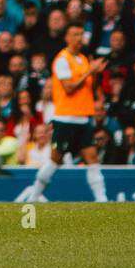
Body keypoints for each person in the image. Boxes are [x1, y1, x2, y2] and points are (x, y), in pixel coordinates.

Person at [22, 23, 108, 203]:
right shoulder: (62, 59)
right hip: (65, 118)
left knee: (92, 157)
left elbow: (88, 86)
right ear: (67, 38)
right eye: (75, 34)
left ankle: (102, 200)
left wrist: (96, 73)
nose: (79, 38)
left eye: (81, 34)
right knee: (55, 160)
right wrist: (89, 71)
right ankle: (33, 197)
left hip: (83, 117)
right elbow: (69, 88)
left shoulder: (84, 59)